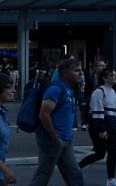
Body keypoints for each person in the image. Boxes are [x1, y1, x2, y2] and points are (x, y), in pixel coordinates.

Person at [27, 57, 84, 186]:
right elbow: (43, 114)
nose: (80, 73)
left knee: (75, 175)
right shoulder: (56, 89)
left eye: (81, 70)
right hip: (52, 140)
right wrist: (54, 137)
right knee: (42, 176)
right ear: (65, 72)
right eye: (76, 71)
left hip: (65, 139)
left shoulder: (69, 88)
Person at [78, 68, 116, 186]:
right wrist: (101, 130)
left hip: (110, 126)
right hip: (99, 126)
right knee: (100, 153)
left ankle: (111, 179)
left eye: (115, 75)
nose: (115, 77)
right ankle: (77, 168)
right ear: (105, 78)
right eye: (112, 75)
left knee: (113, 152)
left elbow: (115, 110)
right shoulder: (99, 92)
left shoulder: (113, 91)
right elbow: (97, 112)